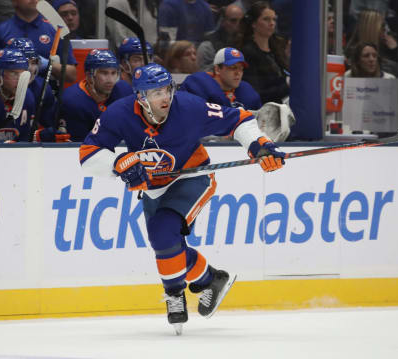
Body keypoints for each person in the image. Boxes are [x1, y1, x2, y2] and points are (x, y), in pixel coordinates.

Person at [79, 63, 285, 333]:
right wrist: (119, 163)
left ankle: (174, 294)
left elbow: (239, 119)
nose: (164, 97)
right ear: (141, 98)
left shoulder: (189, 107)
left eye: (166, 89)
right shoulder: (119, 113)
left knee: (163, 231)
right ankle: (210, 280)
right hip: (153, 186)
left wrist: (260, 145)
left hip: (192, 176)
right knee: (164, 242)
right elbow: (88, 154)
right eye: (155, 93)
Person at [0, 0, 78, 83]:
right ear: (14, 2)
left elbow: (72, 76)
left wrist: (48, 65)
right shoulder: (0, 31)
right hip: (8, 92)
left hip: (46, 92)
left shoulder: (57, 30)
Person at [61, 49, 133, 141]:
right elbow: (79, 146)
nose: (110, 80)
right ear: (89, 75)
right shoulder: (72, 101)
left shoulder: (124, 91)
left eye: (113, 73)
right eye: (104, 73)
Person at [6, 37, 69, 142]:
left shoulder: (43, 88)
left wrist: (40, 135)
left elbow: (47, 126)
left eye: (34, 62)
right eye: (24, 62)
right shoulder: (1, 91)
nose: (30, 68)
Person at [238, 1, 290, 104]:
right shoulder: (248, 53)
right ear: (254, 24)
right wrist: (287, 85)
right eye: (266, 19)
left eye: (274, 19)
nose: (272, 23)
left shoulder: (277, 48)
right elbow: (256, 93)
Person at [180, 47, 261, 110]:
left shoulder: (247, 92)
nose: (238, 73)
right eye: (233, 68)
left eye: (241, 69)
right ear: (217, 69)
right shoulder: (198, 85)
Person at [0, 47, 35, 143]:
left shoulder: (27, 97)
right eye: (14, 73)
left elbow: (24, 139)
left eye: (23, 74)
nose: (20, 79)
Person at [344, 9, 398, 77]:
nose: (385, 30)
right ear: (373, 29)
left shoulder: (386, 49)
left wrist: (395, 50)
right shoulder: (353, 53)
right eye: (382, 26)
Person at [196, 4, 244, 72]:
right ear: (223, 21)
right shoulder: (208, 45)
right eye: (233, 21)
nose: (238, 24)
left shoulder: (248, 43)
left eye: (241, 21)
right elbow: (203, 75)